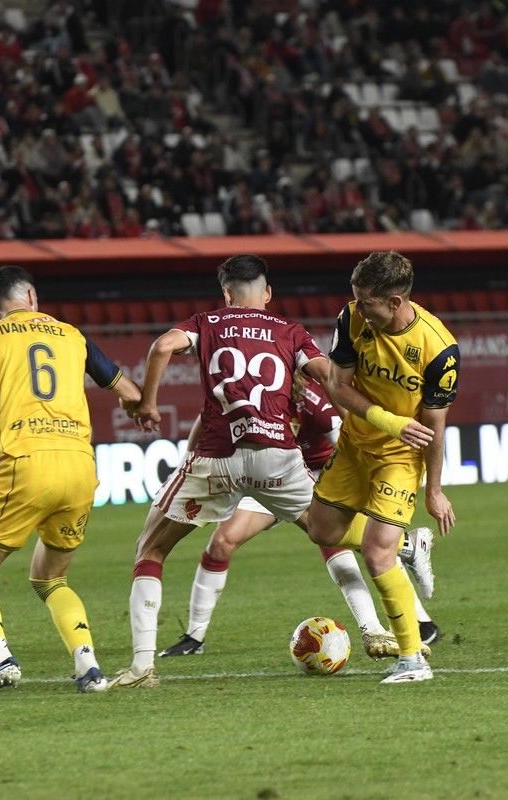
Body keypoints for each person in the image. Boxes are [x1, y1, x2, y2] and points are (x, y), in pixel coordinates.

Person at [113, 254, 330, 689]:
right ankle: (399, 559)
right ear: (268, 293)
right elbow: (328, 375)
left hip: (217, 458)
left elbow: (162, 347)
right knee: (332, 530)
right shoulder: (290, 331)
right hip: (276, 457)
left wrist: (149, 403)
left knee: (150, 549)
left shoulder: (207, 322)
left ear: (226, 293)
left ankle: (141, 667)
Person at [0, 265, 143, 701]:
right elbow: (131, 392)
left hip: (27, 463)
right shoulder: (73, 335)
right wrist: (142, 409)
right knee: (51, 579)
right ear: (30, 295)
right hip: (80, 465)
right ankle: (89, 667)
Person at [158, 372, 441, 660]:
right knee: (222, 542)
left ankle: (401, 624)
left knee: (345, 543)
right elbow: (206, 417)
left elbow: (349, 439)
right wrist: (185, 465)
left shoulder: (313, 403)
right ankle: (194, 636)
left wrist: (356, 487)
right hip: (271, 474)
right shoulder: (244, 391)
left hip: (320, 474)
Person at [305, 250, 460, 684]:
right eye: (356, 298)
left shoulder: (439, 349)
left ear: (394, 302)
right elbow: (338, 385)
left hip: (400, 459)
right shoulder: (351, 318)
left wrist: (434, 490)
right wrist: (389, 421)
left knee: (376, 554)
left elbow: (434, 424)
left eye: (367, 302)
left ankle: (412, 660)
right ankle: (410, 545)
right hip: (356, 445)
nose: (360, 309)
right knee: (321, 530)